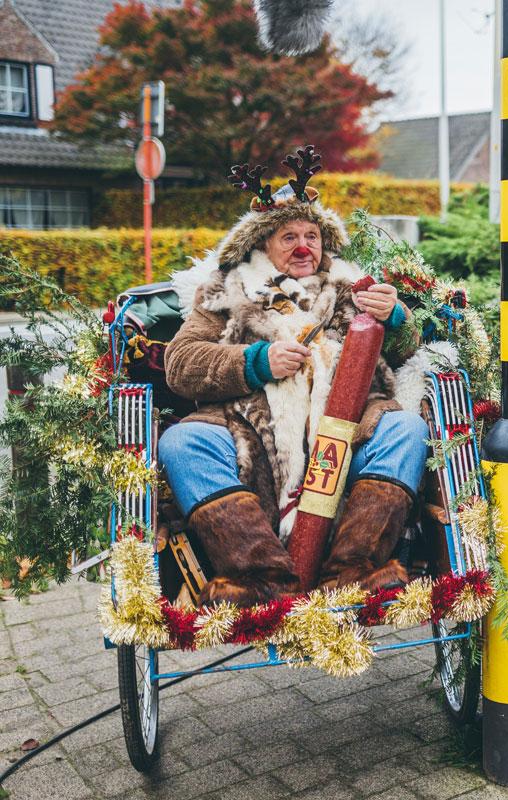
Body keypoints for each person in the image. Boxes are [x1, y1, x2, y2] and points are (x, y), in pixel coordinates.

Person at [158, 145, 429, 607]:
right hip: (250, 430)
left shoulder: (354, 289)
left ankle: (350, 571)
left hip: (351, 430)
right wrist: (255, 362)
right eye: (288, 237)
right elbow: (180, 364)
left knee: (406, 428)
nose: (304, 247)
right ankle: (262, 577)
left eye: (312, 235)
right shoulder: (227, 292)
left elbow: (408, 353)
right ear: (262, 244)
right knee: (181, 443)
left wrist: (398, 318)